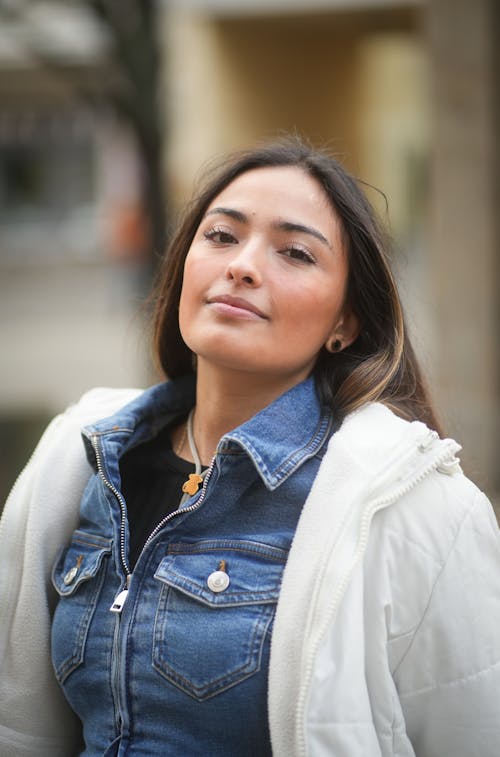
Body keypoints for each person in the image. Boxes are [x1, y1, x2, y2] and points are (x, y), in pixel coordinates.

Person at [0, 137, 499, 757]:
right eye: (221, 236)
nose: (242, 265)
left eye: (294, 252)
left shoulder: (418, 511)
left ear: (346, 322)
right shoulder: (78, 459)